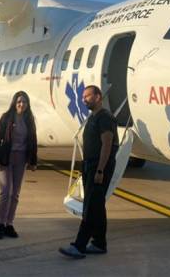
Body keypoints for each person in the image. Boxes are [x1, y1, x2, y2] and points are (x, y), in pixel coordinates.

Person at [59, 85, 119, 259]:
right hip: (90, 165)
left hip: (98, 167)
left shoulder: (104, 118)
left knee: (91, 208)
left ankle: (79, 246)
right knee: (97, 207)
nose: (84, 99)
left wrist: (100, 170)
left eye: (88, 96)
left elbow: (107, 144)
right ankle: (100, 243)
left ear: (98, 97)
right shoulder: (93, 117)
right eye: (83, 96)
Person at [0, 91, 38, 239]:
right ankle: (0, 224)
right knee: (6, 192)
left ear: (27, 104)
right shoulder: (6, 118)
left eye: (24, 102)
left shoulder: (29, 120)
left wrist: (33, 161)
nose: (21, 104)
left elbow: (33, 141)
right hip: (6, 158)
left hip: (21, 158)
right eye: (19, 101)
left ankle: (9, 224)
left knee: (15, 194)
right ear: (14, 103)